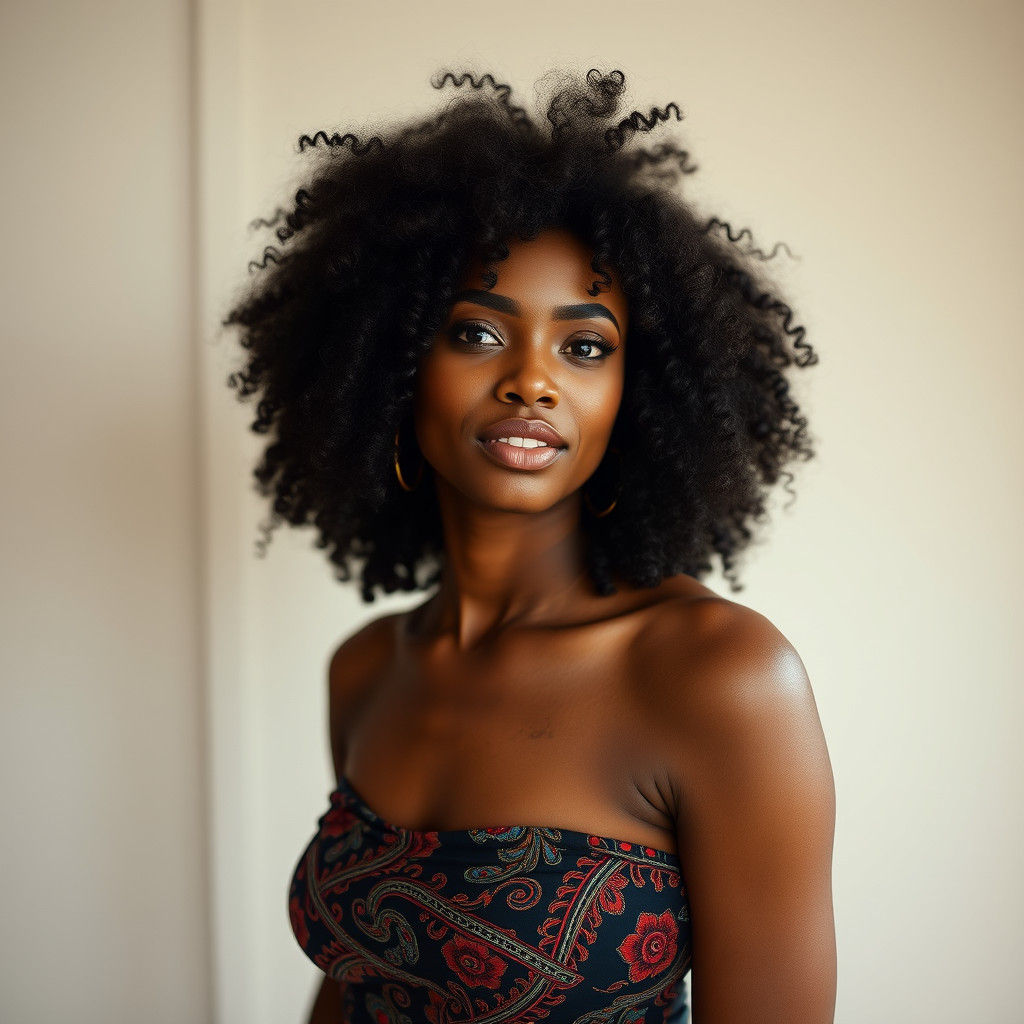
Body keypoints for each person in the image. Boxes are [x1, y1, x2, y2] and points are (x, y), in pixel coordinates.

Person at [223, 66, 836, 1024]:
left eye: (585, 347)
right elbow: (357, 982)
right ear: (391, 365)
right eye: (475, 332)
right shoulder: (366, 671)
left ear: (636, 393)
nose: (533, 382)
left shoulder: (717, 675)